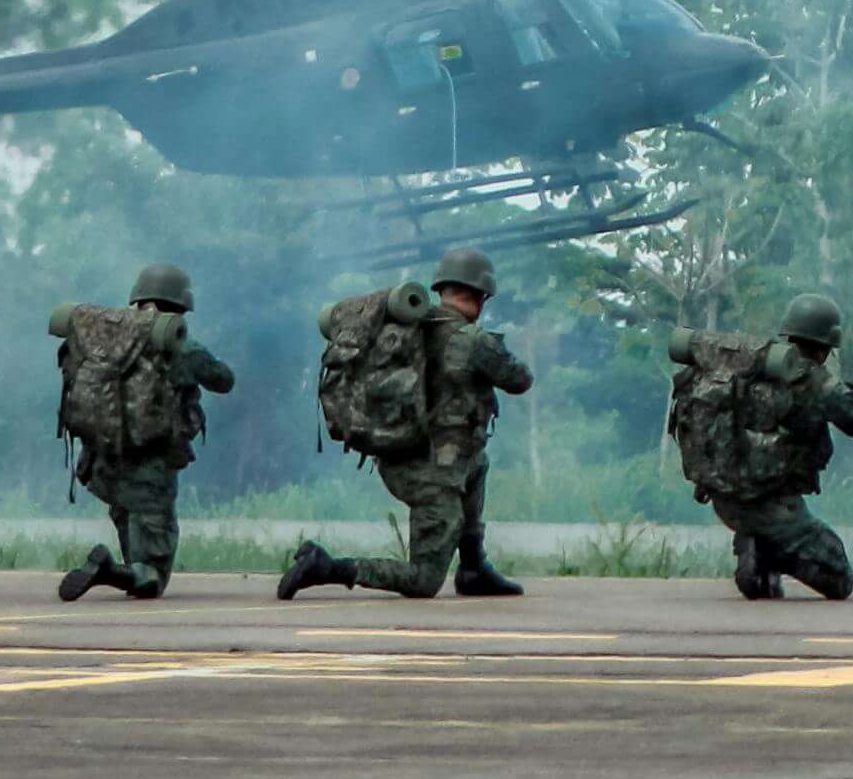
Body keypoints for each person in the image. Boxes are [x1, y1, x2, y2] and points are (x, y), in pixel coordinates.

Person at [279, 246, 534, 602]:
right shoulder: (474, 341)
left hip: (402, 455)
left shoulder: (406, 329)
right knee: (424, 580)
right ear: (480, 296)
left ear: (440, 288)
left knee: (477, 463)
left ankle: (473, 568)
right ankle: (328, 567)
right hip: (434, 475)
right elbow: (520, 380)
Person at [50, 261, 239, 602]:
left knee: (133, 544)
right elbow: (223, 380)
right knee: (153, 577)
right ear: (180, 305)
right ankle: (110, 570)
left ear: (138, 297)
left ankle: (122, 569)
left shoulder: (103, 339)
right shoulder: (178, 347)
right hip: (151, 464)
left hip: (104, 460)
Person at [678, 294, 853, 600]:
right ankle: (766, 552)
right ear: (826, 346)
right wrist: (845, 387)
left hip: (724, 497)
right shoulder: (814, 381)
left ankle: (759, 555)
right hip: (773, 506)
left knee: (768, 587)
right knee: (840, 580)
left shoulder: (745, 369)